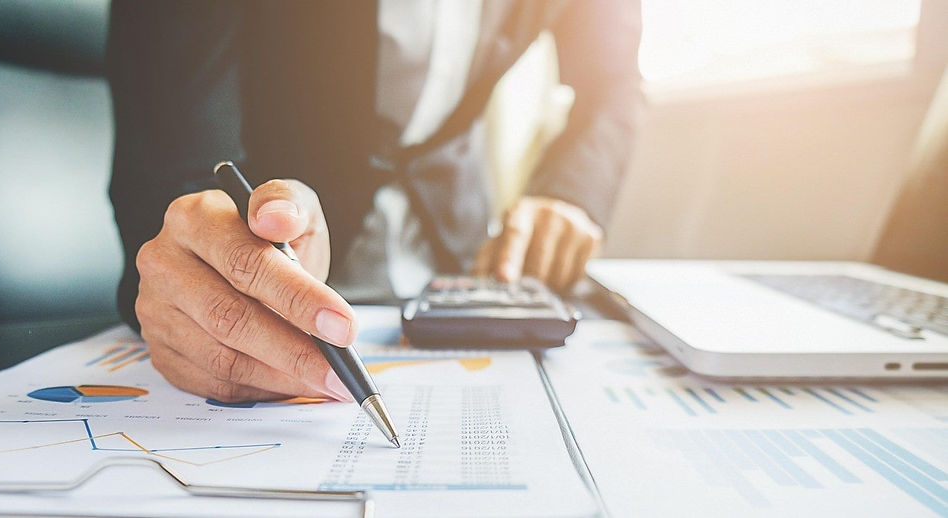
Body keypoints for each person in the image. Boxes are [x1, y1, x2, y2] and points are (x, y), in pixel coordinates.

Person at [107, 0, 642, 403]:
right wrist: (195, 262)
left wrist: (573, 194)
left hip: (462, 266)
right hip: (279, 261)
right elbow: (169, 132)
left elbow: (612, 78)